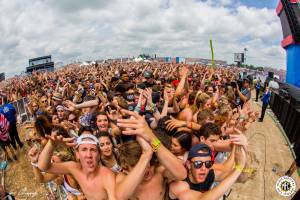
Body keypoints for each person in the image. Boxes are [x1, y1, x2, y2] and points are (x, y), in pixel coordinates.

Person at [116, 109, 187, 200]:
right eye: (136, 165)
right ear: (126, 169)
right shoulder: (123, 177)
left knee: (182, 186)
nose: (147, 168)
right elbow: (120, 196)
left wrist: (151, 138)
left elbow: (182, 174)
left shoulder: (159, 171)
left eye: (149, 162)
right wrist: (146, 155)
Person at [38, 133, 117, 200]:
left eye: (93, 150)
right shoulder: (74, 168)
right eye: (84, 149)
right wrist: (51, 144)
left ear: (99, 155)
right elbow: (43, 166)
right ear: (77, 154)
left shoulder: (107, 176)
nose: (88, 155)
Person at [169, 142, 247, 200]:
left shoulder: (209, 174)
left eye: (208, 164)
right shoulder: (180, 186)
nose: (204, 168)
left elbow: (242, 178)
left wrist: (242, 151)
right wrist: (238, 168)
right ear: (189, 165)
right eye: (198, 163)